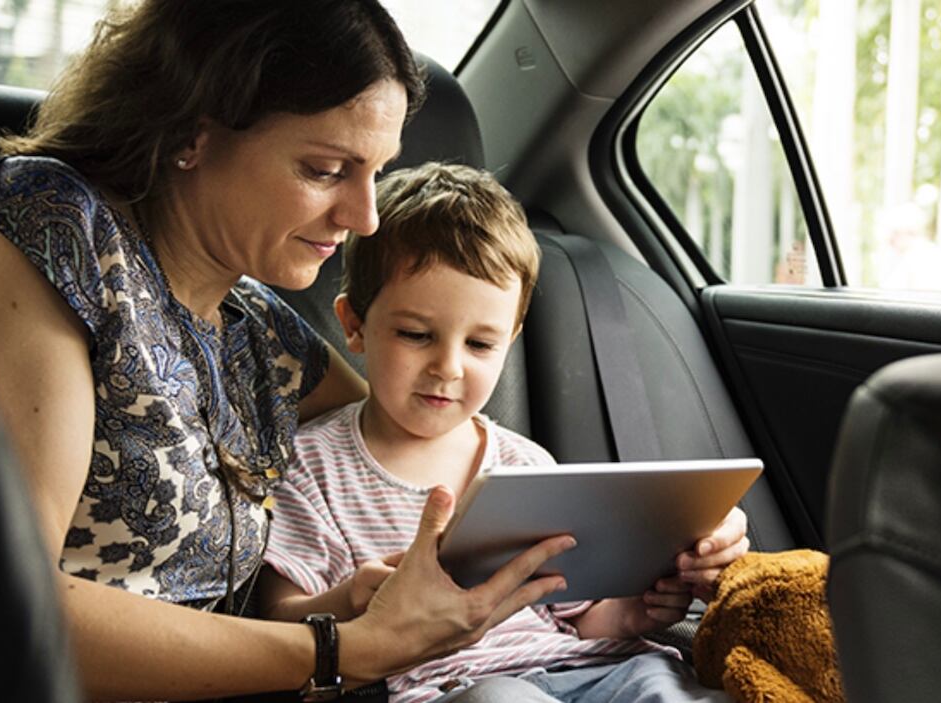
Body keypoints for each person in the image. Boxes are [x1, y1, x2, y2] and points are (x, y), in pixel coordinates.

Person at [0, 2, 589, 700]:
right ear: (193, 132)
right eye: (325, 169)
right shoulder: (54, 230)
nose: (364, 216)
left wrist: (626, 553)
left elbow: (408, 441)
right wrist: (338, 646)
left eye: (375, 172)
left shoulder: (259, 329)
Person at [259, 163, 748, 702]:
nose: (448, 367)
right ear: (354, 325)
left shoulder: (525, 465)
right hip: (453, 687)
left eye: (480, 345)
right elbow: (279, 622)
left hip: (583, 668)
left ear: (510, 338)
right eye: (416, 334)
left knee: (672, 687)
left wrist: (637, 610)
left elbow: (577, 617)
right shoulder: (311, 466)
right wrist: (351, 599)